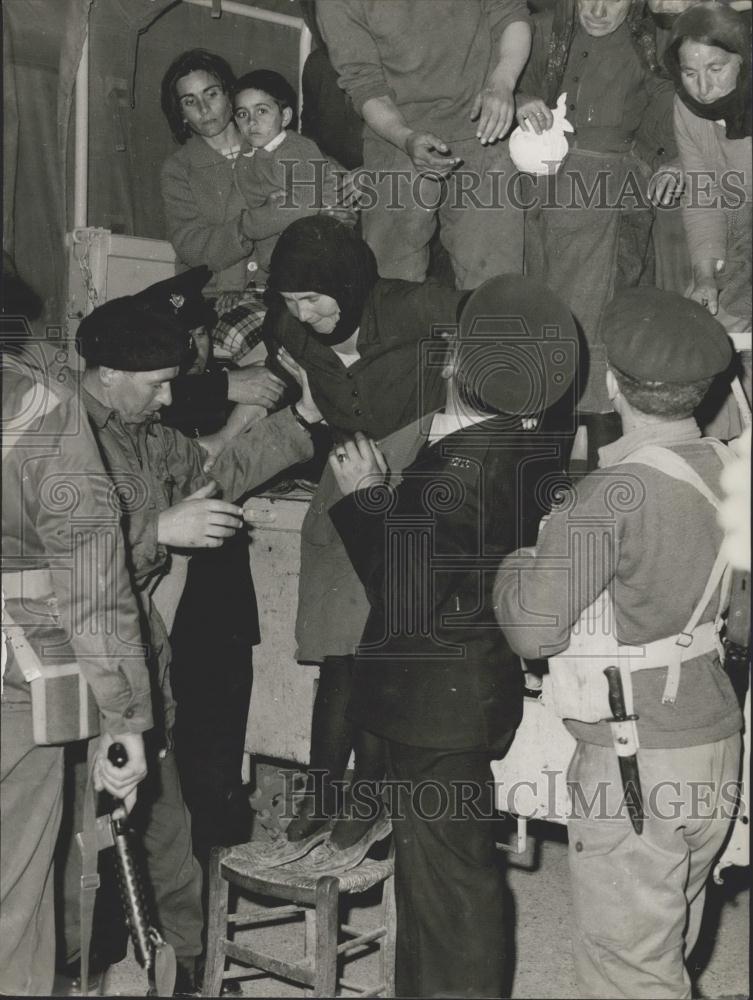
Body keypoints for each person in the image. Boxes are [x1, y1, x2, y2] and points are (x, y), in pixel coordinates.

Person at [324, 275, 578, 997]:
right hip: (468, 691)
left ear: (458, 368)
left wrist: (365, 501)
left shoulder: (455, 471)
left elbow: (405, 598)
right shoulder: (527, 450)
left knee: (450, 895)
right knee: (442, 882)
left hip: (434, 707)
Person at [494, 288, 742, 999]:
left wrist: (516, 563)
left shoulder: (607, 498)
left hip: (636, 760)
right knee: (668, 943)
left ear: (611, 383)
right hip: (713, 743)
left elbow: (532, 629)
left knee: (627, 972)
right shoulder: (730, 468)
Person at [72, 293, 322, 992]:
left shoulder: (147, 432)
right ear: (107, 373)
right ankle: (73, 969)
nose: (166, 399)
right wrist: (159, 533)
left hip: (140, 661)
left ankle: (183, 968)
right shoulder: (58, 437)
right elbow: (52, 554)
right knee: (76, 845)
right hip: (74, 662)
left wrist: (298, 425)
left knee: (167, 833)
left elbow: (213, 474)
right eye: (155, 384)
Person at [260, 215, 464, 850]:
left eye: (314, 296)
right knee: (335, 644)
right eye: (291, 299)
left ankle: (371, 795)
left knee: (382, 642)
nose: (305, 312)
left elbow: (517, 319)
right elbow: (275, 357)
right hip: (346, 467)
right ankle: (323, 793)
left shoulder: (412, 305)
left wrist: (465, 404)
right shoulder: (290, 321)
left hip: (415, 467)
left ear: (347, 281)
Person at [2, 346, 152, 995]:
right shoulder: (31, 403)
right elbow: (88, 575)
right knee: (12, 906)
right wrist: (122, 719)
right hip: (14, 671)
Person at [516, 0, 676, 466]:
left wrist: (664, 165)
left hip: (603, 197)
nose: (600, 9)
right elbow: (497, 82)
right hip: (534, 189)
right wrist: (517, 98)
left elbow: (669, 129)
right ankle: (539, 461)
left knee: (590, 322)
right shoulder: (539, 31)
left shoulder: (654, 44)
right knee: (541, 315)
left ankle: (597, 464)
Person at [316, 0, 531, 289]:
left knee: (496, 288)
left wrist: (503, 82)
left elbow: (511, 15)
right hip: (395, 139)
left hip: (483, 130)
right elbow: (364, 85)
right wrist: (405, 137)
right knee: (391, 284)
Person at [160, 49, 267, 364]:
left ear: (230, 95)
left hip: (275, 289)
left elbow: (322, 176)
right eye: (190, 101)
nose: (204, 109)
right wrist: (252, 226)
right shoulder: (179, 169)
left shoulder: (270, 144)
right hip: (210, 297)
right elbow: (192, 246)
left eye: (212, 94)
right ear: (179, 112)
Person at [231, 69, 348, 286]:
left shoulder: (297, 149)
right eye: (242, 114)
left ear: (285, 117)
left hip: (318, 260)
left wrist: (246, 225)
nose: (252, 122)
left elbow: (303, 206)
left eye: (262, 111)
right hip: (276, 270)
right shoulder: (246, 157)